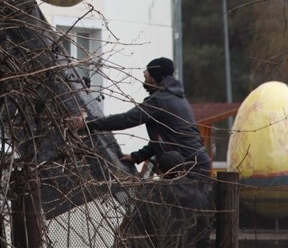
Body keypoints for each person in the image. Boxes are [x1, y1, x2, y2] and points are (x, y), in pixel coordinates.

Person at [72, 57, 212, 179]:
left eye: (148, 71)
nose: (144, 73)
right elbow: (165, 138)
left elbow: (126, 119)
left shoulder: (160, 101)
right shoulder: (175, 98)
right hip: (193, 165)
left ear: (155, 77)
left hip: (190, 168)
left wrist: (88, 124)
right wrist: (138, 156)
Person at [117, 150, 213, 248]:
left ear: (158, 169)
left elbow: (136, 230)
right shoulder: (197, 194)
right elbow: (203, 232)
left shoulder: (148, 194)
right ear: (184, 170)